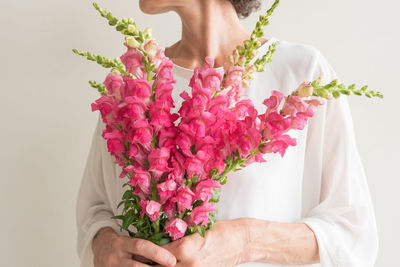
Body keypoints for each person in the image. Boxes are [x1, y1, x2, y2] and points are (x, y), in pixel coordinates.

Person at [76, 0, 379, 266]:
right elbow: (96, 210)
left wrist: (245, 241)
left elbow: (353, 234)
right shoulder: (135, 83)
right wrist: (104, 247)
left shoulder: (302, 74)